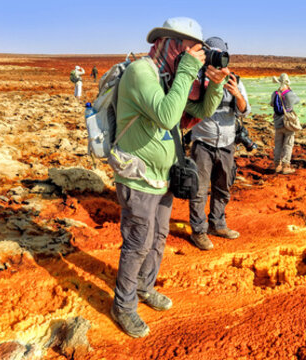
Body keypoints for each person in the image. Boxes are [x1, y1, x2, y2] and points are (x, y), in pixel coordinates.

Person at [110, 17, 228, 338]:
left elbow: (200, 111)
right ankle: (124, 306)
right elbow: (166, 116)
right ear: (169, 43)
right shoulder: (142, 72)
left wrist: (215, 84)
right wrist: (188, 70)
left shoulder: (169, 77)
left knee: (159, 237)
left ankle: (144, 288)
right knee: (138, 242)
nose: (193, 56)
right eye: (190, 49)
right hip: (138, 177)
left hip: (164, 176)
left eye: (198, 51)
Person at [188, 36, 248, 250]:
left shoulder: (234, 80)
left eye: (219, 55)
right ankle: (198, 231)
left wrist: (237, 94)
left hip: (226, 143)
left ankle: (217, 224)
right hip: (203, 142)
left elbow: (244, 110)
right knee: (199, 190)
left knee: (223, 187)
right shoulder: (196, 79)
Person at [270, 73, 300, 174]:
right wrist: (291, 91)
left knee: (278, 144)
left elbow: (271, 104)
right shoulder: (289, 94)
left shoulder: (275, 93)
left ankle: (277, 166)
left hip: (278, 122)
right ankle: (286, 166)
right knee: (288, 144)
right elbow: (297, 101)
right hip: (288, 123)